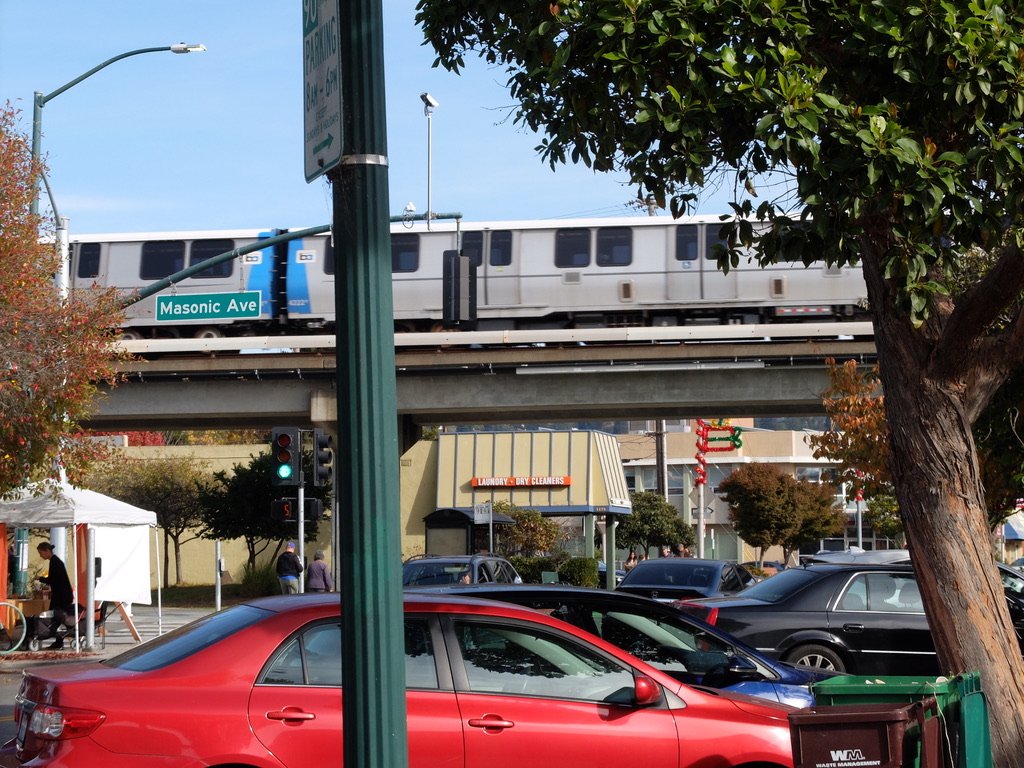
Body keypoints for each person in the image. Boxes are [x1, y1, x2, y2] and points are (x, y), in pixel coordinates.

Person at [37, 542, 74, 650]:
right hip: (61, 595)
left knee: (57, 617)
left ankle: (63, 639)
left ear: (47, 551)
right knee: (58, 618)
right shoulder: (55, 561)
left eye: (41, 553)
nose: (40, 556)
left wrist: (40, 578)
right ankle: (60, 640)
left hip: (61, 597)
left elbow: (52, 580)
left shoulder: (55, 562)